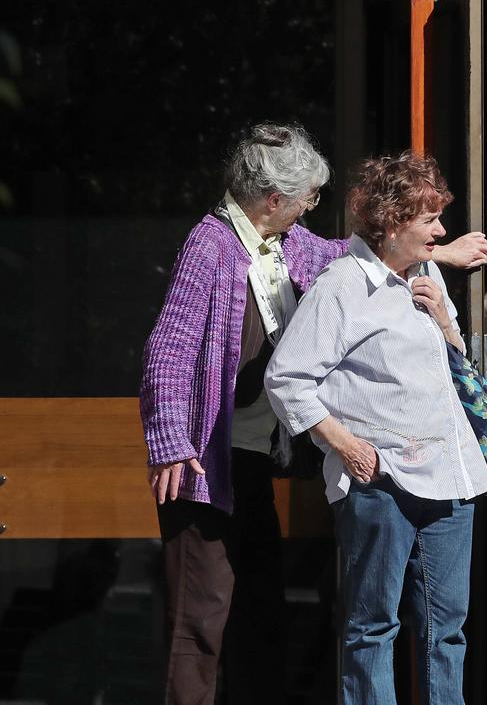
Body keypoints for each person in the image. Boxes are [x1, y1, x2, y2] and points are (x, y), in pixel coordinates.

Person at [265, 151, 487, 702]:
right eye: (430, 219)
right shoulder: (344, 284)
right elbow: (288, 377)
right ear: (392, 224)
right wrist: (346, 446)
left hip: (450, 475)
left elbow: (454, 369)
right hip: (380, 478)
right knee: (372, 626)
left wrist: (444, 319)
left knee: (448, 630)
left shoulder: (427, 275)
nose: (442, 231)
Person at [139, 122, 345, 705]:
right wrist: (172, 442)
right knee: (198, 622)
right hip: (205, 467)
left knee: (261, 611)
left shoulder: (287, 241)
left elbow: (344, 257)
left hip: (251, 461)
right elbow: (168, 350)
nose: (312, 206)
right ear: (273, 200)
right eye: (307, 196)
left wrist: (429, 251)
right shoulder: (213, 244)